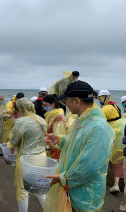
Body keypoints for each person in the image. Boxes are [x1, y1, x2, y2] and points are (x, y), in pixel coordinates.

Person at [44, 80, 114, 212]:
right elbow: (76, 144)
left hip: (85, 198)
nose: (66, 105)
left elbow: (89, 165)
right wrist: (59, 139)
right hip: (71, 192)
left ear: (76, 101)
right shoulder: (81, 120)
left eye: (66, 101)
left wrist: (63, 178)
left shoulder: (99, 127)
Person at [7, 98, 47, 212]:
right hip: (42, 156)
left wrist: (10, 146)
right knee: (40, 188)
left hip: (27, 159)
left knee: (23, 190)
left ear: (20, 109)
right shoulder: (41, 120)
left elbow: (14, 141)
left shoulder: (21, 121)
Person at [42, 94, 67, 159]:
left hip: (55, 151)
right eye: (43, 105)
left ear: (53, 104)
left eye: (46, 105)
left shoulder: (59, 116)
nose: (44, 107)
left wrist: (49, 147)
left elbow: (59, 136)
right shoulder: (50, 115)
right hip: (50, 147)